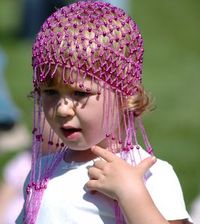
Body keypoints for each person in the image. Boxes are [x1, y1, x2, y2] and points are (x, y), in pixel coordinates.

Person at [16, 1, 192, 223]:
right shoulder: (40, 173)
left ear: (124, 93)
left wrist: (132, 194)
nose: (62, 109)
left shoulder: (145, 174)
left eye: (80, 93)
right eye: (50, 92)